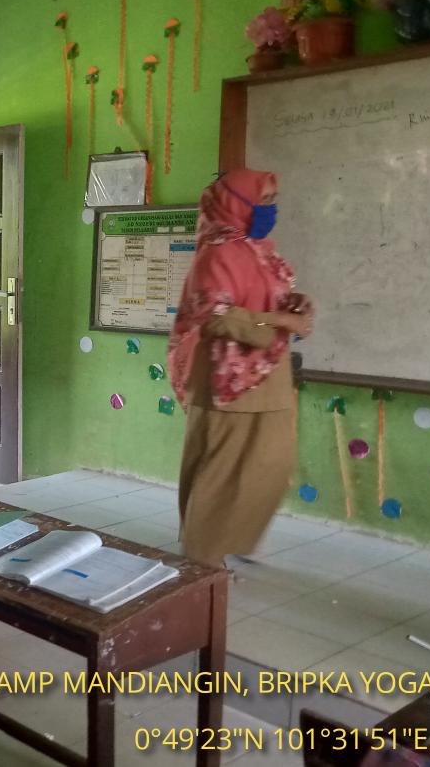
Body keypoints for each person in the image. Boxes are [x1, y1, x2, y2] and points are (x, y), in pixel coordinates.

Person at [168, 169, 314, 568]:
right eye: (264, 200)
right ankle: (203, 556)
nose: (272, 208)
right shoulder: (217, 252)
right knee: (220, 472)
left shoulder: (261, 249)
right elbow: (215, 317)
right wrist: (285, 323)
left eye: (274, 199)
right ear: (236, 203)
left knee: (270, 465)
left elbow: (268, 303)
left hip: (268, 377)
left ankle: (239, 539)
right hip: (224, 381)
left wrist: (295, 304)